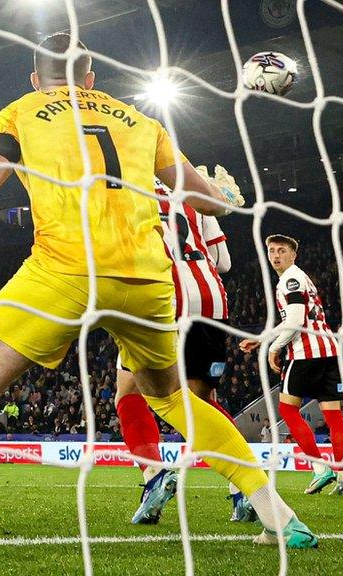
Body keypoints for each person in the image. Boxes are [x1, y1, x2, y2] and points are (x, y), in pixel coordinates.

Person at [0, 33, 315, 549]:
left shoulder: (19, 111)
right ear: (92, 78)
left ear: (35, 78)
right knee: (173, 398)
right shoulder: (140, 120)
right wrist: (224, 196)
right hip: (147, 280)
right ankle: (280, 516)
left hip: (65, 269)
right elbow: (204, 201)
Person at [111, 179, 254, 524]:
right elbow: (223, 263)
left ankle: (154, 476)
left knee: (127, 394)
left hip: (163, 302)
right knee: (203, 406)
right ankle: (246, 489)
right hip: (211, 302)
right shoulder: (194, 191)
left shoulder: (122, 188)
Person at [240, 234, 343, 495]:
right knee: (334, 416)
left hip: (304, 353)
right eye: (271, 251)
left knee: (288, 411)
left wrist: (275, 347)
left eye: (281, 250)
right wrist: (262, 339)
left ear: (293, 255)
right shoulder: (302, 278)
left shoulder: (290, 279)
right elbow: (294, 318)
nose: (275, 256)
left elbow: (296, 320)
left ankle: (320, 468)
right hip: (328, 351)